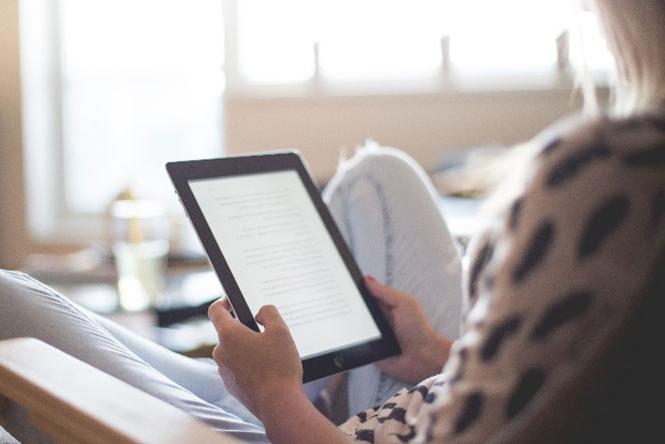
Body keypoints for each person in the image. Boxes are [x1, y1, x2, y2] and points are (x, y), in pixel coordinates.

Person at [1, 0, 663, 442]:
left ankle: (262, 393)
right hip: (411, 394)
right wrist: (434, 353)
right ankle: (276, 381)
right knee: (379, 176)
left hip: (309, 429)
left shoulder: (609, 174)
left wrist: (279, 401)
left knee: (7, 300)